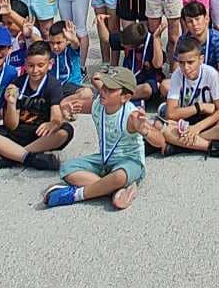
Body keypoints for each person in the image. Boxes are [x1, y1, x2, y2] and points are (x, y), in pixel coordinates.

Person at [42, 66, 151, 210]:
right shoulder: (98, 105)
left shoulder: (131, 115)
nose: (103, 91)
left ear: (125, 97)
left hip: (129, 162)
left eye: (110, 90)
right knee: (67, 168)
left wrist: (146, 131)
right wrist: (66, 108)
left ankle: (76, 195)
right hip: (104, 159)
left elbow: (160, 141)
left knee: (119, 176)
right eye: (104, 86)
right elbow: (77, 106)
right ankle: (113, 190)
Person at [0, 41, 73, 172]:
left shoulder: (53, 85)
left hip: (40, 135)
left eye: (40, 65)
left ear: (50, 64)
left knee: (65, 131)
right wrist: (11, 103)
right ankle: (31, 159)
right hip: (16, 134)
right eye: (31, 66)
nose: (35, 70)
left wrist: (53, 123)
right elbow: (11, 125)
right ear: (25, 64)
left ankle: (12, 157)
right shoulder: (17, 84)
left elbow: (56, 117)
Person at [159, 35, 219, 159]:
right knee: (162, 126)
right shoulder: (177, 75)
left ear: (201, 59)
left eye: (190, 62)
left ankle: (181, 145)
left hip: (207, 122)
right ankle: (211, 146)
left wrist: (197, 128)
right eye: (181, 63)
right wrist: (199, 107)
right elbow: (171, 114)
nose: (186, 68)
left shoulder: (211, 74)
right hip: (185, 120)